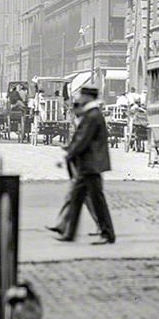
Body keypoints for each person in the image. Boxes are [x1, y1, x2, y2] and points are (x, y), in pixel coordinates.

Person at [49, 82, 115, 244]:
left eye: (81, 95)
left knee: (96, 200)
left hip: (90, 164)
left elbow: (82, 140)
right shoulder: (93, 114)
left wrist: (68, 155)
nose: (79, 98)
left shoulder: (92, 115)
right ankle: (69, 233)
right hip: (88, 165)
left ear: (87, 97)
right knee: (77, 199)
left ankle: (107, 234)